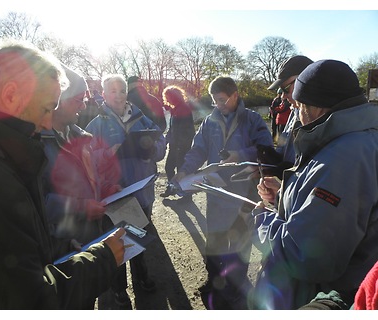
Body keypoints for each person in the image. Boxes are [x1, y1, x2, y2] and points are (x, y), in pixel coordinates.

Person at [0, 42, 125, 309]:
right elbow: (30, 300)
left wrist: (103, 190)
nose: (47, 122)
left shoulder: (5, 153)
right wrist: (101, 260)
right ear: (10, 95)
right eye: (47, 107)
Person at [246, 59, 378, 309]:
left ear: (317, 106)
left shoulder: (343, 158)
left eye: (299, 104)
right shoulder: (354, 140)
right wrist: (284, 194)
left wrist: (261, 217)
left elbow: (304, 256)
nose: (295, 110)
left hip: (312, 297)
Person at [172, 76, 274, 309]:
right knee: (215, 241)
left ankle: (237, 288)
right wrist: (184, 171)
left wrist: (240, 155)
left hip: (244, 196)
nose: (218, 105)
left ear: (235, 95)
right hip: (216, 193)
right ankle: (215, 280)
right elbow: (198, 150)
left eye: (222, 100)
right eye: (214, 101)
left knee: (240, 244)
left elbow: (266, 150)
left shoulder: (253, 120)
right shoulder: (209, 122)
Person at [86, 74, 166, 307]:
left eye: (122, 90)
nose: (119, 95)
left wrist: (152, 149)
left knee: (139, 239)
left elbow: (161, 144)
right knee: (117, 245)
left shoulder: (141, 118)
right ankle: (119, 288)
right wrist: (107, 153)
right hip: (116, 196)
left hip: (142, 194)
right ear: (103, 94)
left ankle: (142, 277)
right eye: (113, 91)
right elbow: (88, 160)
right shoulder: (96, 124)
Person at [41, 63, 121, 248]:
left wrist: (106, 190)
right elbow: (35, 203)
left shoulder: (80, 137)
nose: (84, 106)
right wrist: (81, 208)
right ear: (58, 100)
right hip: (65, 245)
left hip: (92, 236)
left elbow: (90, 179)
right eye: (79, 100)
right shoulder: (37, 144)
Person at [261, 55, 314, 175]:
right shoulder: (294, 112)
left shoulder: (318, 119)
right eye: (280, 91)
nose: (283, 96)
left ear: (306, 81)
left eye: (286, 89)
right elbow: (283, 146)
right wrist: (272, 158)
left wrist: (291, 176)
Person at [160, 85, 195, 198]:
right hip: (175, 145)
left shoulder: (183, 109)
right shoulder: (175, 109)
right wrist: (166, 140)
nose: (167, 99)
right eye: (166, 97)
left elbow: (187, 130)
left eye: (169, 97)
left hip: (182, 146)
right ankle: (172, 188)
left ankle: (186, 195)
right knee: (169, 167)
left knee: (181, 170)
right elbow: (172, 128)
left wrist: (181, 146)